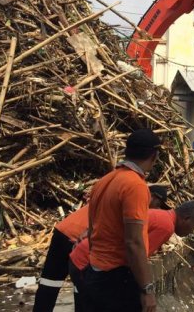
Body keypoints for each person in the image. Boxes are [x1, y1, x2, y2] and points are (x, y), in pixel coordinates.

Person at [32, 184, 169, 312]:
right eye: (159, 205)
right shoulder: (136, 204)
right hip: (80, 239)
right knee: (83, 289)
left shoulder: (121, 194)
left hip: (63, 230)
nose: (157, 209)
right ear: (153, 197)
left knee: (49, 282)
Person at [69, 201, 194, 312]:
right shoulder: (166, 226)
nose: (192, 230)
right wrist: (146, 290)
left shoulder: (160, 215)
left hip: (85, 255)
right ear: (186, 218)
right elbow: (136, 257)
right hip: (90, 261)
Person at [81, 128, 162, 312]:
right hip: (117, 278)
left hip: (95, 272)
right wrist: (147, 289)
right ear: (154, 156)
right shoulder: (135, 186)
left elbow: (92, 230)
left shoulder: (105, 181)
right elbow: (133, 242)